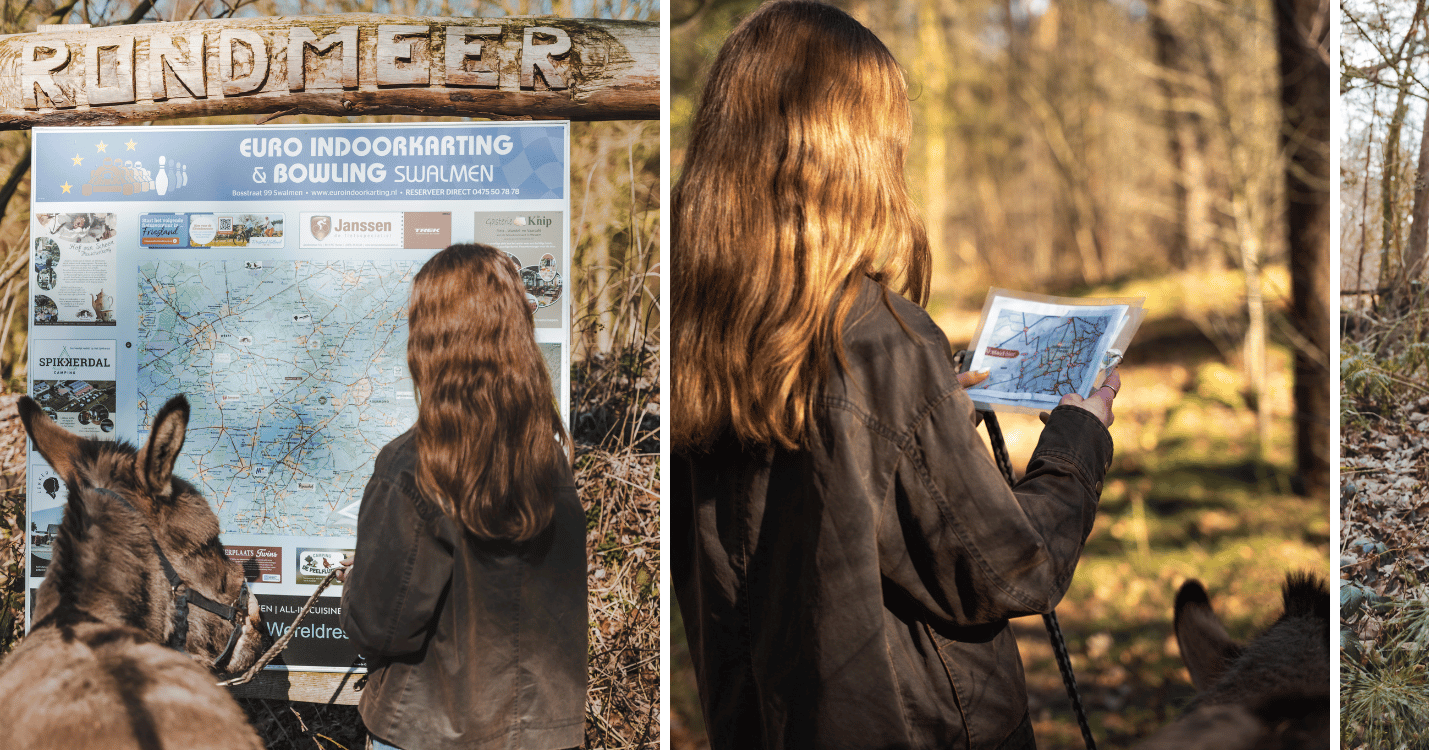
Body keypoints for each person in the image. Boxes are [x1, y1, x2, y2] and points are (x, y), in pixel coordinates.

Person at [671, 2, 1121, 748]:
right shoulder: (880, 341)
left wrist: (926, 412)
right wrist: (1078, 440)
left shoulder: (699, 337)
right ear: (856, 154)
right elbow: (1012, 569)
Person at [340, 243, 584, 750]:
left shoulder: (411, 466)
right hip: (542, 734)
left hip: (424, 733)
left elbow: (380, 627)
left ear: (430, 341)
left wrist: (355, 582)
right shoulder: (549, 457)